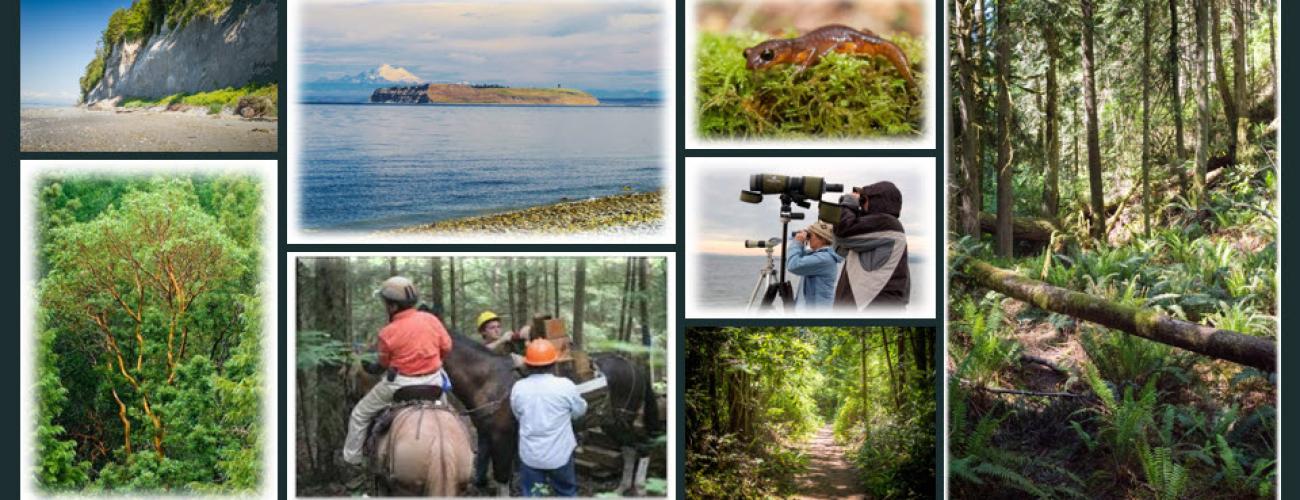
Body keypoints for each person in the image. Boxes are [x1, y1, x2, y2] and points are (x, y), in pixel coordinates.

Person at [342, 276, 454, 467]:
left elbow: (384, 363)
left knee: (359, 414)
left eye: (385, 303)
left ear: (393, 307)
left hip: (400, 384)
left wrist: (372, 366)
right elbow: (447, 347)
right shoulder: (431, 319)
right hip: (433, 381)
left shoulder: (387, 332)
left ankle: (353, 460)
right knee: (447, 413)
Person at [510, 339, 587, 497]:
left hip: (531, 456)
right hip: (560, 455)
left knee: (533, 495)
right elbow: (580, 411)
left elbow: (517, 415)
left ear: (528, 365)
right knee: (566, 493)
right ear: (554, 363)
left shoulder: (518, 388)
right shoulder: (565, 386)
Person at [833, 181, 911, 309]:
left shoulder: (888, 223)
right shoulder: (875, 231)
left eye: (863, 200)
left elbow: (843, 233)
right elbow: (839, 248)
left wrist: (848, 203)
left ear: (877, 201)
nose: (861, 205)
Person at [787, 220, 844, 311]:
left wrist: (798, 242)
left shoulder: (824, 258)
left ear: (821, 238)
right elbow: (799, 255)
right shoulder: (819, 255)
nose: (809, 239)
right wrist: (798, 239)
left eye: (811, 236)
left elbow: (793, 265)